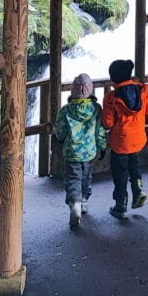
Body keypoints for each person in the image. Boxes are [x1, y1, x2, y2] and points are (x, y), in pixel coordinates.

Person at [101, 59, 148, 220]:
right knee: (134, 166)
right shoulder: (142, 91)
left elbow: (108, 123)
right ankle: (138, 190)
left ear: (113, 78)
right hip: (138, 139)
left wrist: (102, 121)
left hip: (120, 142)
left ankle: (120, 206)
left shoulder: (111, 97)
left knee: (120, 173)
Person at [54, 73, 108, 228]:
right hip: (89, 152)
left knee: (73, 179)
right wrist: (103, 146)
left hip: (72, 152)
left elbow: (61, 130)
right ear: (90, 90)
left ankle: (75, 203)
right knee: (86, 177)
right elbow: (100, 131)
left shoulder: (66, 110)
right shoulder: (96, 109)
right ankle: (84, 201)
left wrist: (60, 138)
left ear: (73, 90)